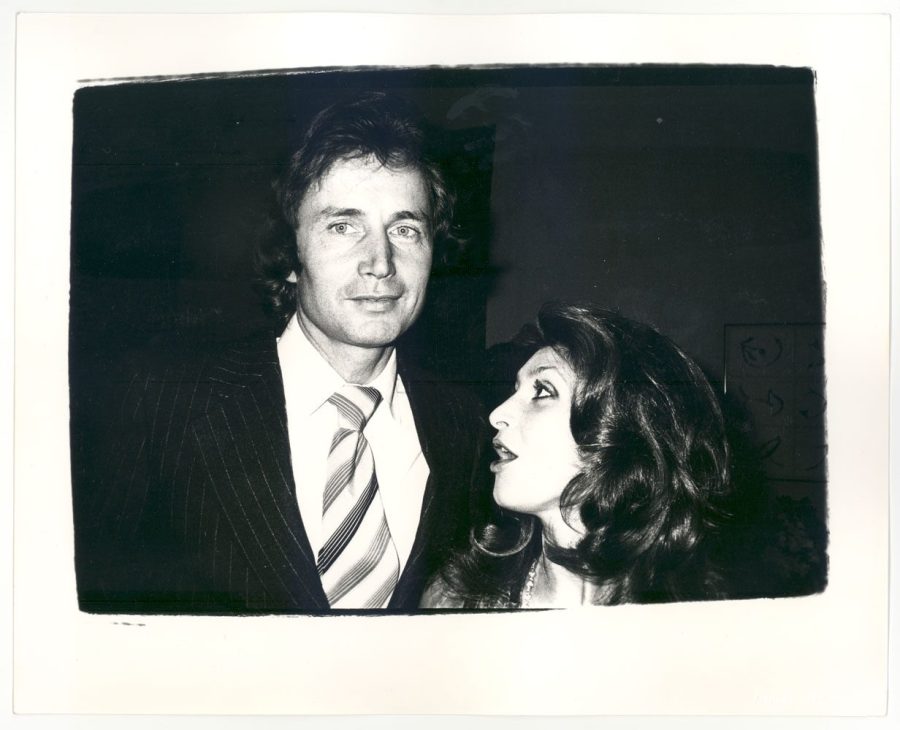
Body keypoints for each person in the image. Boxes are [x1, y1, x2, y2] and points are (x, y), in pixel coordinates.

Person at [75, 92, 489, 614]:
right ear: (290, 254)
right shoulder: (161, 402)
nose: (381, 262)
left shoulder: (467, 429)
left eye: (405, 230)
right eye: (343, 226)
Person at [422, 302, 734, 609]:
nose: (497, 414)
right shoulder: (455, 599)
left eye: (542, 391)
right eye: (515, 389)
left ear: (620, 435)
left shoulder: (697, 622)